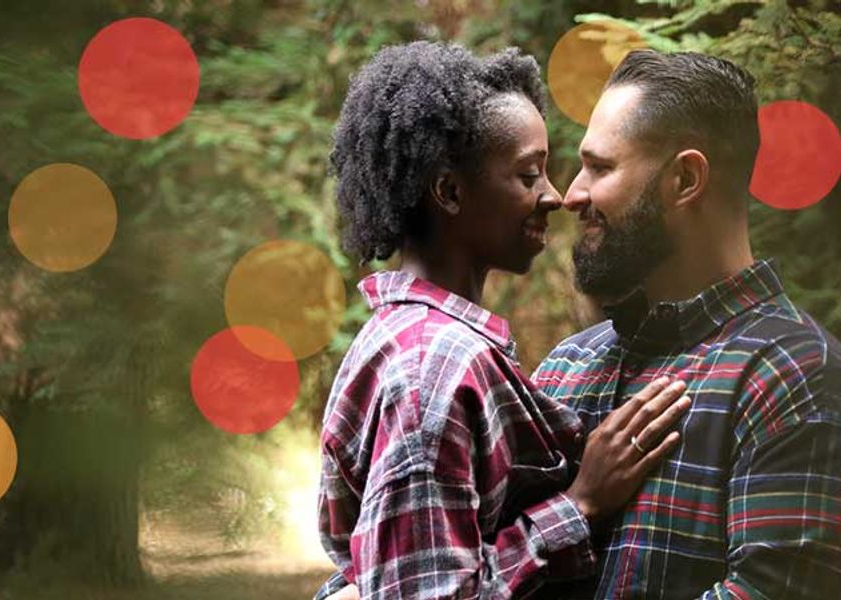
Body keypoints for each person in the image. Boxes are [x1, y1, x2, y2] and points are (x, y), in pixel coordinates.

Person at [314, 42, 690, 600]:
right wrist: (580, 502)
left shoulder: (411, 341)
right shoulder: (432, 371)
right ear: (449, 191)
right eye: (527, 175)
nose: (555, 196)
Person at [532, 49, 841, 599]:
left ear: (685, 178)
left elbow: (769, 592)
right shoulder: (565, 368)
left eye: (599, 167)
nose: (571, 194)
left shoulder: (795, 376)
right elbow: (465, 555)